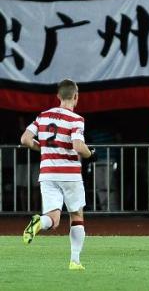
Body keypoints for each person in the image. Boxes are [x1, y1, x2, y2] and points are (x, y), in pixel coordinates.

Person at [20, 79, 96, 270]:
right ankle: (75, 261)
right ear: (76, 96)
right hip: (69, 175)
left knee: (53, 219)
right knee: (76, 215)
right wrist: (90, 154)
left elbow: (25, 139)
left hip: (47, 175)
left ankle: (38, 223)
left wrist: (43, 149)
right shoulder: (76, 120)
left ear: (58, 96)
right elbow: (78, 146)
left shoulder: (42, 117)